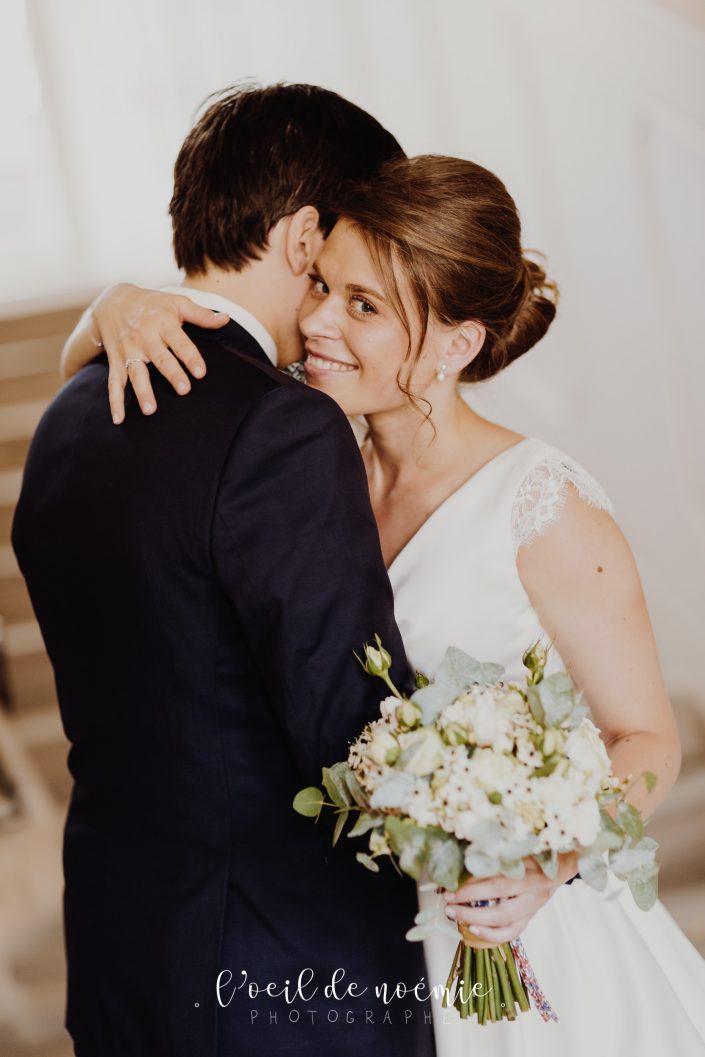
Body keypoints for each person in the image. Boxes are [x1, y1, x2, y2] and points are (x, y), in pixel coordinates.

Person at [63, 151, 705, 1057]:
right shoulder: (306, 463)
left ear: (456, 345)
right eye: (321, 285)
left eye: (363, 306)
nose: (317, 320)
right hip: (348, 941)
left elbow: (647, 736)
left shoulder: (543, 505)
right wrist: (114, 305)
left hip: (512, 938)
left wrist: (545, 861)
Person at [13, 83, 442, 1057]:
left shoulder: (69, 416)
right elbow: (353, 739)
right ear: (304, 241)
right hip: (283, 974)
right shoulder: (282, 428)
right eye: (358, 245)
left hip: (128, 954)